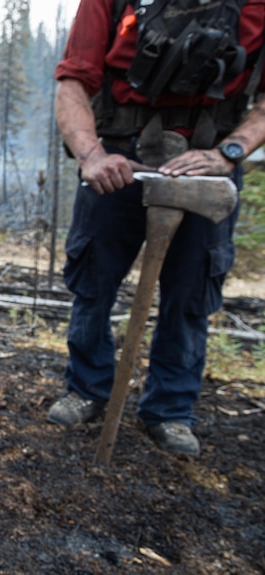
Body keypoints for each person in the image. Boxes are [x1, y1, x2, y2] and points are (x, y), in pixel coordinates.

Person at [48, 0, 265, 457]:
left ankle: (170, 410)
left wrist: (229, 152)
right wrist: (92, 157)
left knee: (190, 295)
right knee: (93, 283)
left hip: (209, 167)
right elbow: (73, 82)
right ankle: (86, 389)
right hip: (120, 160)